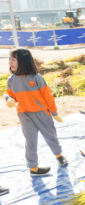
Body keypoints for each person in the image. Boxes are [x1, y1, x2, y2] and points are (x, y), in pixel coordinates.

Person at [6, 48, 68, 176]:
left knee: (51, 135)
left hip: (42, 113)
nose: (10, 62)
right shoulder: (11, 80)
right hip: (24, 115)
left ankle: (59, 155)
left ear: (23, 61)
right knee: (30, 140)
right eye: (9, 60)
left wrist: (54, 112)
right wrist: (8, 99)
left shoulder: (36, 78)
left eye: (13, 59)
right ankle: (33, 167)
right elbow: (9, 95)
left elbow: (48, 96)